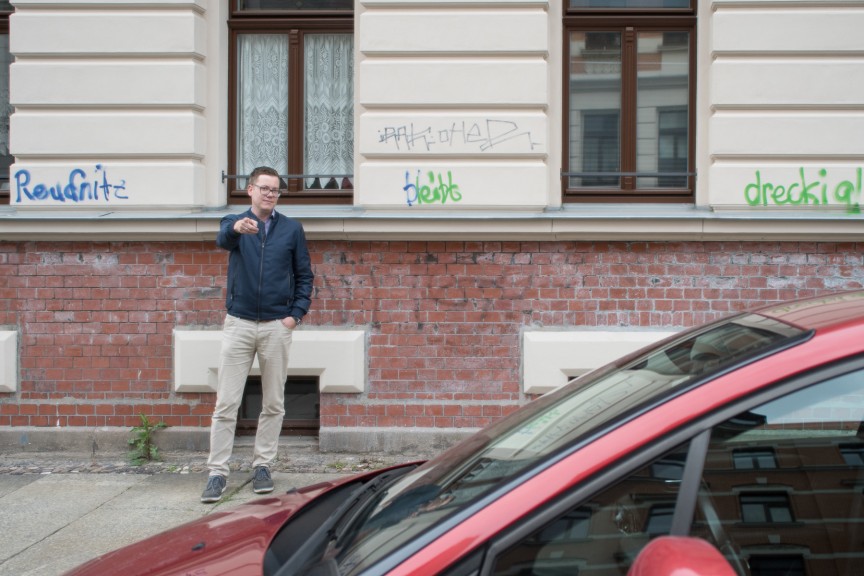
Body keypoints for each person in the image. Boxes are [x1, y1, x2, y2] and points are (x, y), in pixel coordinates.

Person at [201, 166, 314, 503]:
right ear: (250, 190)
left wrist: (294, 316)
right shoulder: (233, 224)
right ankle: (217, 473)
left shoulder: (291, 230)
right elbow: (223, 240)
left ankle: (263, 466)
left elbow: (304, 275)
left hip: (276, 327)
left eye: (275, 190)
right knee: (226, 403)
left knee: (274, 402)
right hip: (239, 324)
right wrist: (237, 228)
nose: (269, 194)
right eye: (264, 188)